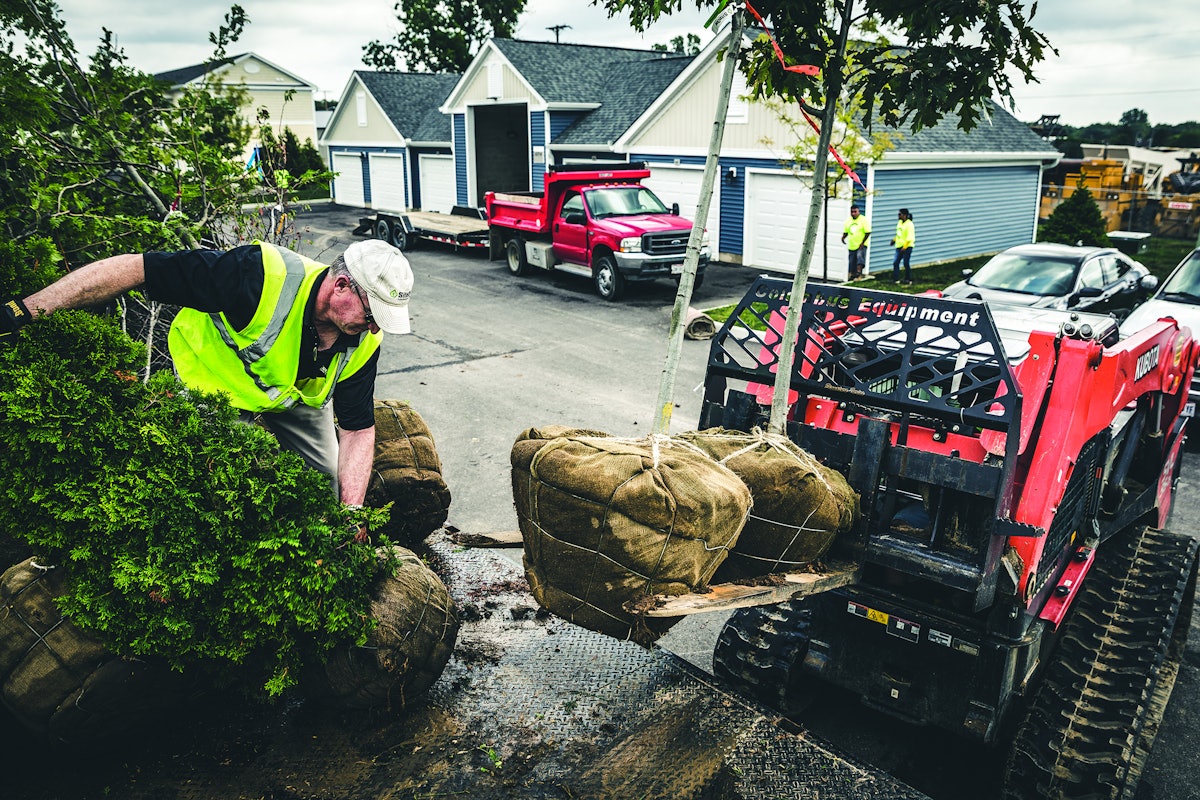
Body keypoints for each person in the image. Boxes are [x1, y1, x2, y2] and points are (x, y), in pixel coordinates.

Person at [0, 239, 413, 541]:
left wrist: (351, 511)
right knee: (220, 490)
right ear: (341, 286)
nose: (376, 327)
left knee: (326, 490)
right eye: (373, 313)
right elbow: (136, 268)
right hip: (212, 383)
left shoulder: (365, 338)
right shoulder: (258, 274)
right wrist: (29, 309)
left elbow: (358, 429)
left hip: (291, 398)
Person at [841, 204, 871, 281]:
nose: (853, 213)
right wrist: (843, 237)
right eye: (852, 212)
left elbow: (867, 232)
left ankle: (858, 274)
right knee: (852, 261)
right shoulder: (848, 221)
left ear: (858, 211)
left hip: (861, 244)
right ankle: (852, 275)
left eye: (855, 211)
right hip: (852, 244)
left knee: (859, 258)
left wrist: (862, 242)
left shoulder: (863, 220)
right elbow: (846, 231)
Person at [891, 208, 916, 284]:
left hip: (907, 247)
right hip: (899, 246)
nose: (898, 216)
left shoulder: (909, 224)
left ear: (904, 215)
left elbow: (910, 237)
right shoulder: (900, 222)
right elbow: (899, 233)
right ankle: (896, 279)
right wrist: (894, 240)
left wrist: (904, 247)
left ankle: (908, 279)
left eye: (900, 214)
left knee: (906, 263)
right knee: (895, 262)